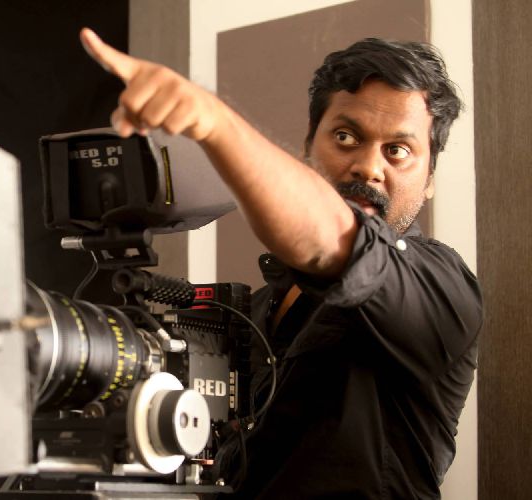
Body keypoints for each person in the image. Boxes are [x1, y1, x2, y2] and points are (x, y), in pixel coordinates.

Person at [80, 28, 482, 499]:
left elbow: (331, 239)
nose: (369, 167)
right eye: (346, 137)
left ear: (430, 178)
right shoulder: (253, 312)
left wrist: (213, 123)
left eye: (398, 150)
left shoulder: (443, 289)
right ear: (308, 147)